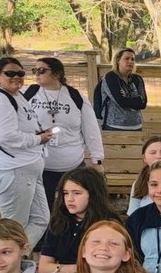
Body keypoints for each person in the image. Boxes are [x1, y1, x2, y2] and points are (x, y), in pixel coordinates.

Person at [25, 57, 104, 208]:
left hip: (72, 166)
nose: (37, 74)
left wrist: (97, 160)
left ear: (56, 74)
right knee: (43, 209)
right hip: (39, 166)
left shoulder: (76, 97)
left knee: (73, 207)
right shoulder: (27, 94)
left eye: (42, 70)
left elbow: (91, 130)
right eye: (35, 70)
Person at [0, 57, 51, 246]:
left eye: (20, 73)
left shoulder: (16, 95)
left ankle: (18, 259)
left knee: (40, 219)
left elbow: (23, 126)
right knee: (14, 226)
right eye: (10, 73)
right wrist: (38, 139)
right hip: (14, 170)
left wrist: (38, 133)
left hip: (29, 168)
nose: (16, 77)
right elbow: (5, 136)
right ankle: (3, 267)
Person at [39, 166, 122, 273]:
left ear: (93, 194)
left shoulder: (109, 224)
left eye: (76, 193)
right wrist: (77, 268)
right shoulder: (59, 221)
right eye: (65, 193)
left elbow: (104, 267)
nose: (70, 199)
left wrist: (58, 268)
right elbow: (43, 267)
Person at [97, 48, 147, 131]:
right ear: (118, 60)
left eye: (132, 59)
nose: (130, 61)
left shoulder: (137, 79)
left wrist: (127, 99)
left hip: (136, 125)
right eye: (126, 58)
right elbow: (121, 101)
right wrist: (136, 99)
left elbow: (143, 103)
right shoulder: (110, 77)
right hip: (114, 126)